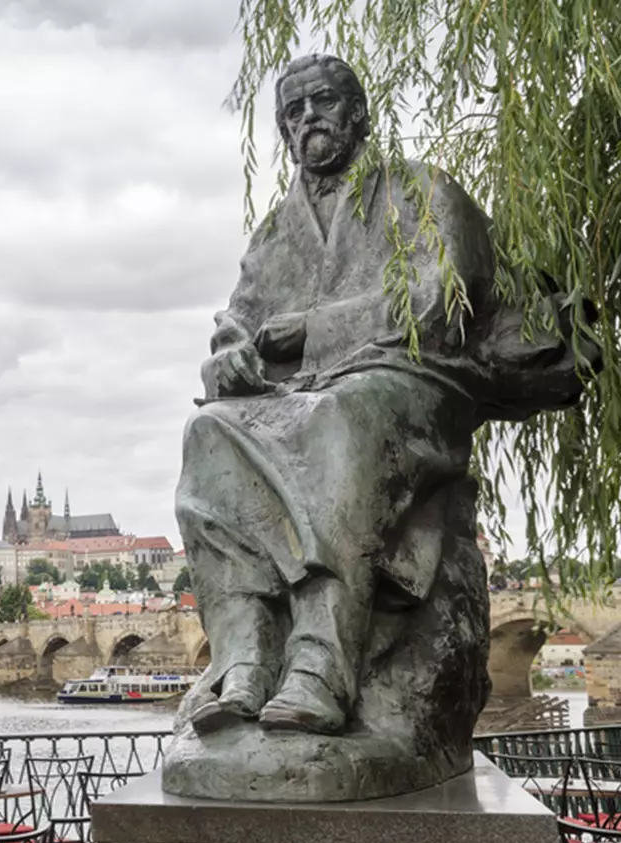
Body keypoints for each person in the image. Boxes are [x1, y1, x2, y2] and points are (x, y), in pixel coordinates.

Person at [177, 54, 595, 736]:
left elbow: (441, 301)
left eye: (323, 102)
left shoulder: (423, 191)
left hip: (411, 385)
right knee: (208, 434)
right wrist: (229, 357)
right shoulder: (275, 233)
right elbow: (239, 319)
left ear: (359, 115)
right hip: (297, 398)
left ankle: (320, 667)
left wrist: (314, 329)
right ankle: (244, 657)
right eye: (293, 110)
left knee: (343, 418)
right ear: (284, 131)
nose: (308, 118)